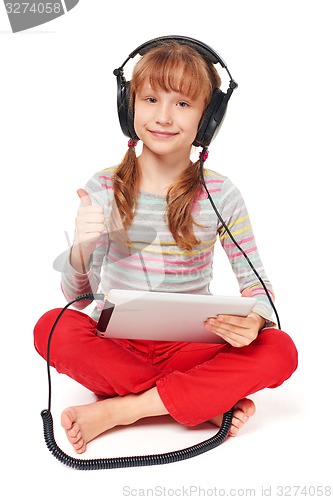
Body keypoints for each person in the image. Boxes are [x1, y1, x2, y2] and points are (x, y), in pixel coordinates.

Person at [34, 38, 298, 455]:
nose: (162, 116)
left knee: (280, 349)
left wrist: (258, 319)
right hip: (119, 345)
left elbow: (257, 283)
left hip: (191, 347)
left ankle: (125, 409)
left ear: (208, 119)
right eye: (151, 98)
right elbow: (78, 300)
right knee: (51, 327)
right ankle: (198, 401)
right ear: (129, 106)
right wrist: (81, 249)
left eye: (182, 104)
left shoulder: (220, 193)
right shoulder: (103, 187)